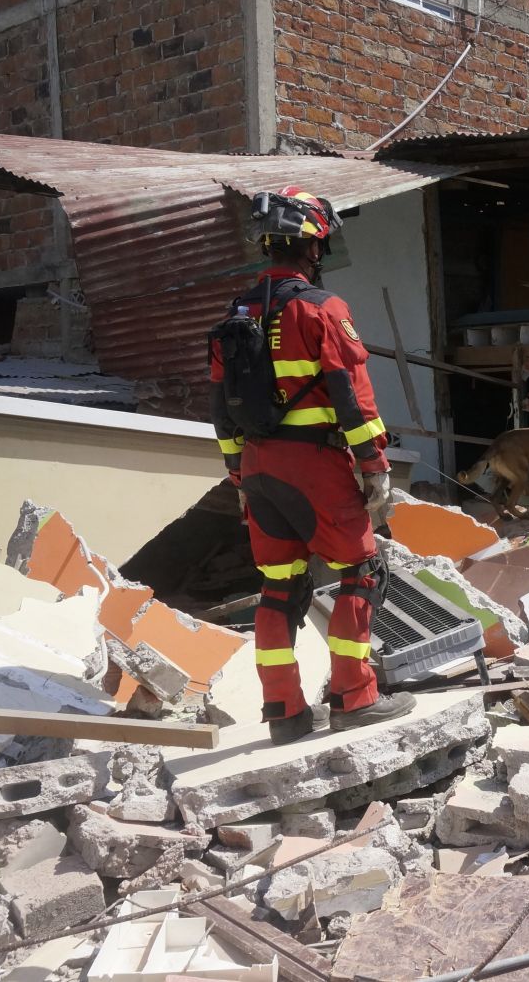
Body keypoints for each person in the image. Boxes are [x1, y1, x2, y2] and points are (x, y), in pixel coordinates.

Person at [209, 186, 415, 744]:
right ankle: (355, 697)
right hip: (315, 465)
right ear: (314, 243)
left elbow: (219, 408)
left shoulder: (237, 313)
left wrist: (239, 478)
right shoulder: (323, 309)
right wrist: (374, 466)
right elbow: (353, 397)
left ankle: (284, 711)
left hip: (257, 467)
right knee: (361, 570)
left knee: (279, 588)